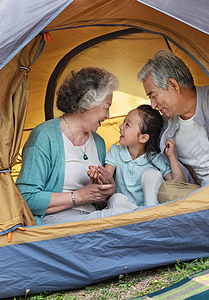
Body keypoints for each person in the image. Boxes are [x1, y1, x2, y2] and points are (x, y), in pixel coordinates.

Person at [16, 67, 129, 225]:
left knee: (120, 203)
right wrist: (80, 196)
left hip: (92, 220)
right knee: (122, 218)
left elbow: (99, 204)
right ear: (89, 102)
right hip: (58, 222)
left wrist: (105, 191)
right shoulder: (44, 136)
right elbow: (25, 198)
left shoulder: (98, 142)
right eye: (106, 107)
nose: (108, 116)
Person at [137, 50, 209, 203]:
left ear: (173, 85)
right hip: (203, 197)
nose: (153, 105)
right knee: (167, 192)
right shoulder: (166, 127)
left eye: (153, 96)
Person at [88, 105, 185, 208]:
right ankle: (141, 217)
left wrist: (171, 156)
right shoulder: (116, 152)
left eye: (127, 125)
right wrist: (98, 176)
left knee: (151, 174)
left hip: (149, 209)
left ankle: (150, 212)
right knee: (116, 199)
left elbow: (178, 186)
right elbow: (106, 180)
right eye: (123, 122)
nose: (121, 127)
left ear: (143, 138)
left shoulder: (154, 158)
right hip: (126, 211)